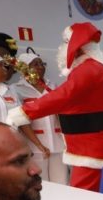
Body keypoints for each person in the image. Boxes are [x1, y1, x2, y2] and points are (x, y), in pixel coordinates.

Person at [6, 22, 103, 191]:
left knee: (83, 196)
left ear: (77, 47)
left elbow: (62, 96)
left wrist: (22, 112)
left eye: (65, 42)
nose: (62, 47)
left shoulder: (87, 70)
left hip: (91, 150)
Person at [11, 52, 68, 184]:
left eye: (42, 63)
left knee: (62, 183)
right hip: (34, 147)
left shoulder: (52, 86)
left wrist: (67, 140)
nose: (41, 67)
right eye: (35, 64)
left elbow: (61, 114)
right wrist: (39, 145)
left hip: (59, 144)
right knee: (41, 184)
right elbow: (21, 121)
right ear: (24, 67)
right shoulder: (16, 89)